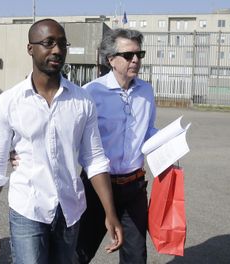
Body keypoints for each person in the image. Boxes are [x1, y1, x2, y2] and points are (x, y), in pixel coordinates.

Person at [0, 18, 123, 263]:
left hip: (70, 210)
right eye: (48, 43)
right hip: (28, 209)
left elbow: (95, 159)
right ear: (30, 49)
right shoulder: (10, 102)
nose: (57, 50)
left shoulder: (82, 101)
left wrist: (110, 213)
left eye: (62, 44)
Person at [75, 28, 158, 263]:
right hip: (98, 186)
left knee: (136, 256)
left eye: (139, 54)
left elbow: (149, 130)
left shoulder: (146, 91)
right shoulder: (91, 92)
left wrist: (169, 144)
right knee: (79, 251)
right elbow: (69, 135)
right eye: (129, 55)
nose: (136, 60)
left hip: (134, 187)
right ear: (111, 59)